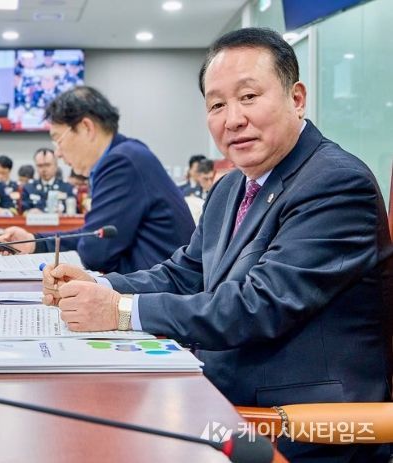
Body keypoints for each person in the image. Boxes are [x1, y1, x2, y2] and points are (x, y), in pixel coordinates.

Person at [42, 28, 393, 462]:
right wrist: (98, 285)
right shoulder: (231, 186)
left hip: (297, 425)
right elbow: (184, 273)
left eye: (249, 97)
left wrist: (120, 311)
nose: (233, 119)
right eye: (217, 105)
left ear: (297, 98)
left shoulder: (335, 183)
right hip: (223, 394)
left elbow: (258, 305)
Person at [0, 86, 195, 273]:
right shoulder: (126, 154)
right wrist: (34, 242)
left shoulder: (120, 163)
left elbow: (94, 253)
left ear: (86, 128)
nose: (57, 153)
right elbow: (94, 235)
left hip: (161, 289)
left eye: (58, 140)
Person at [21, 148, 75, 214]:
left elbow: (74, 211)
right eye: (40, 166)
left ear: (56, 166)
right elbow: (22, 210)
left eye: (47, 165)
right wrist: (30, 212)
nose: (44, 169)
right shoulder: (29, 188)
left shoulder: (67, 188)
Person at [185, 159, 216, 224]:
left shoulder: (217, 192)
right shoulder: (188, 192)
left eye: (211, 178)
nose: (210, 182)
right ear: (198, 176)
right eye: (205, 179)